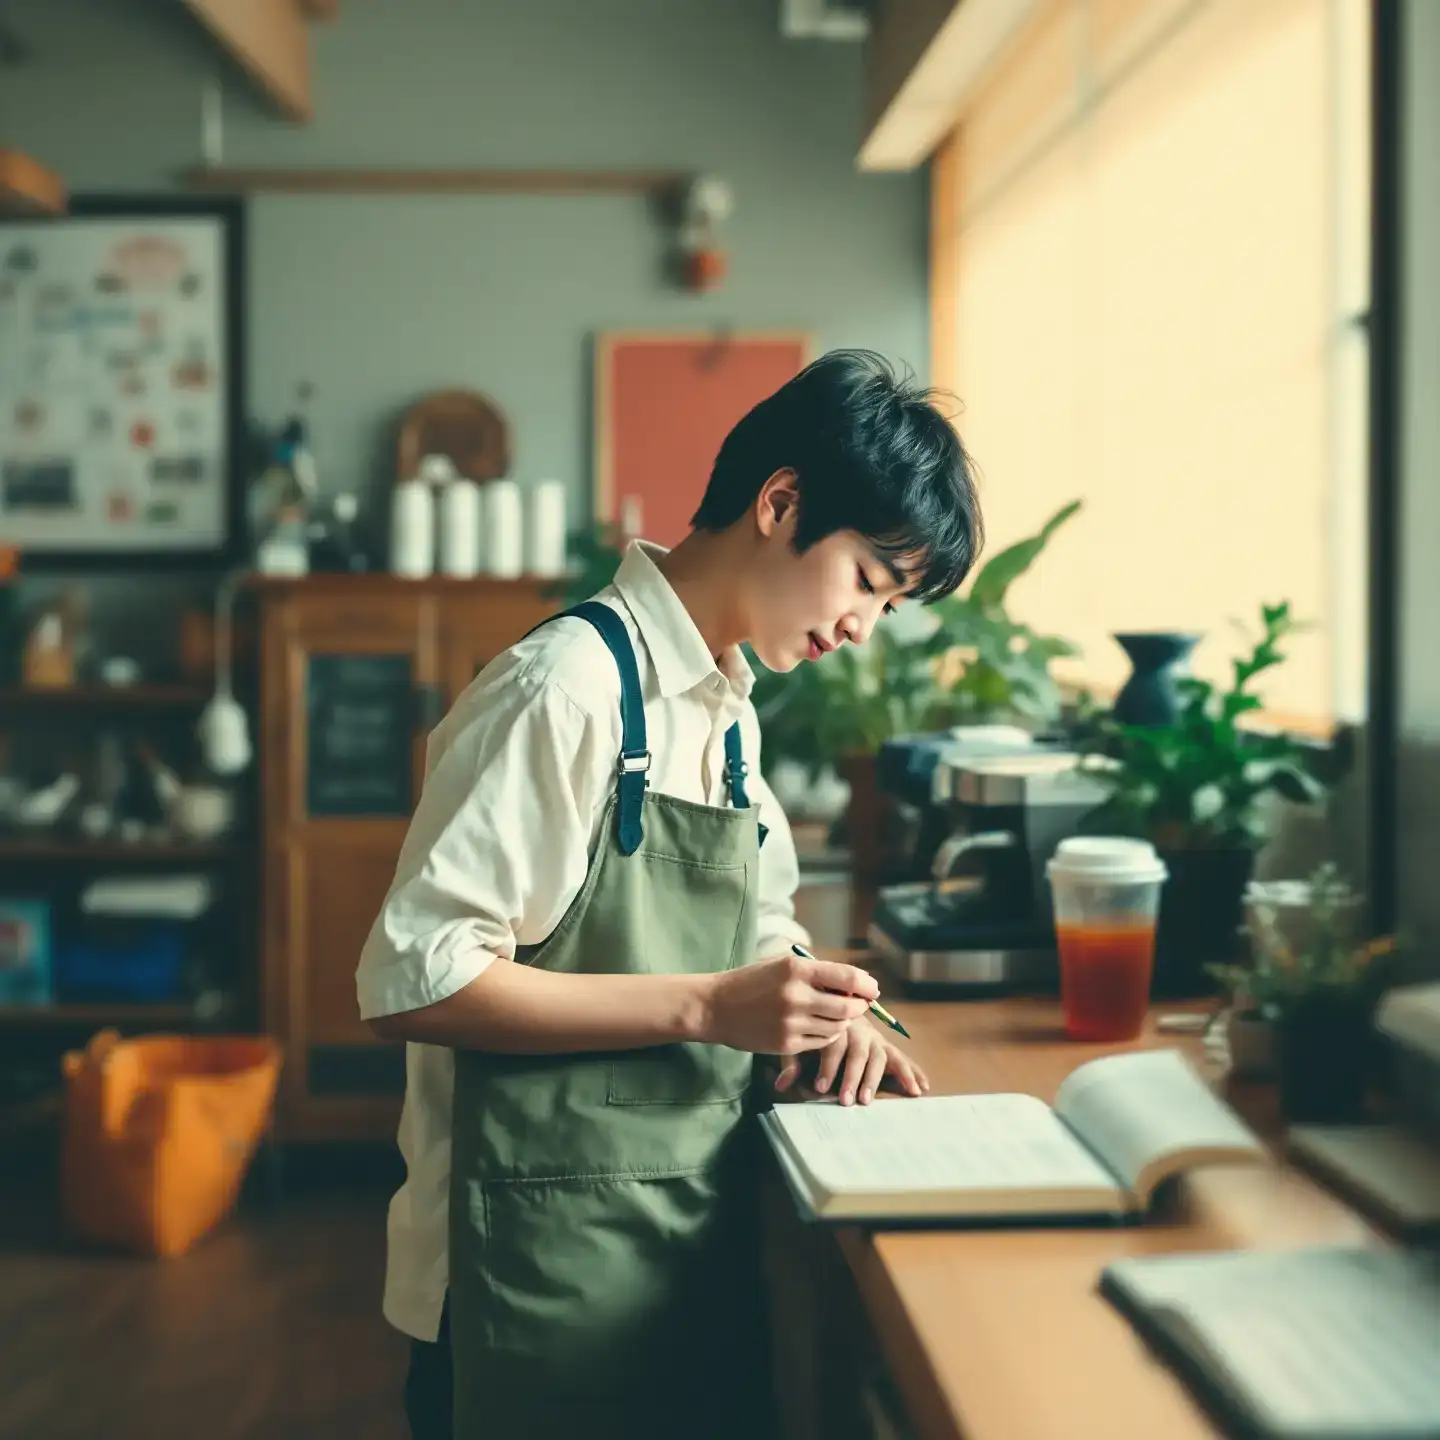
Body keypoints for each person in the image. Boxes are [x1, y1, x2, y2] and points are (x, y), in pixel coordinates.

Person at [356, 349, 983, 1440]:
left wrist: (834, 1014)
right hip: (520, 1274)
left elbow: (761, 926)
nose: (861, 631)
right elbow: (414, 978)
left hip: (661, 1244)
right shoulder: (567, 691)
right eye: (868, 587)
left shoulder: (724, 706)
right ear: (781, 504)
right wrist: (705, 1008)